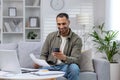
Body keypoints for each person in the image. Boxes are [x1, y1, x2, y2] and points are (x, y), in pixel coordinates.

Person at [35, 13, 82, 80]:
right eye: (59, 24)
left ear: (68, 22)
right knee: (43, 70)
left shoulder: (76, 39)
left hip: (66, 66)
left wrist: (64, 57)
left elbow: (76, 60)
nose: (61, 27)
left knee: (74, 68)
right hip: (51, 66)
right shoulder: (50, 36)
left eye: (64, 24)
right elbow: (43, 54)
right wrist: (40, 62)